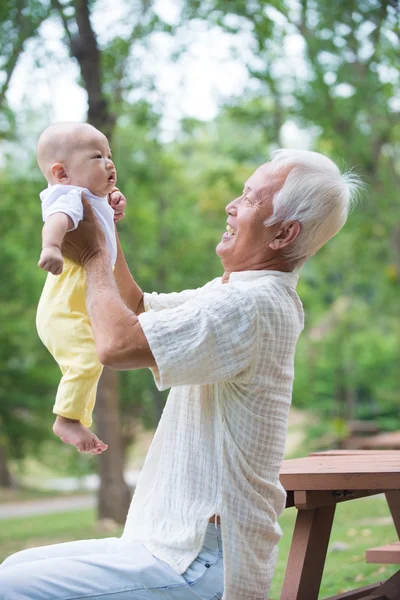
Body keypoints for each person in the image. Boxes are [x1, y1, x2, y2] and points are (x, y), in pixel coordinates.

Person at [0, 149, 362, 600]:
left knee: (9, 586)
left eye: (250, 200)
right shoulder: (236, 291)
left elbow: (116, 344)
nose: (231, 205)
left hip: (198, 563)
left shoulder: (251, 306)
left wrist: (93, 253)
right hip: (172, 544)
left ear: (284, 234)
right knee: (14, 567)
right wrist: (103, 222)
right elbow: (134, 309)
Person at [36, 122, 126, 454]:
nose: (109, 163)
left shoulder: (87, 194)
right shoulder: (67, 196)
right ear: (61, 173)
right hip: (63, 307)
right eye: (97, 156)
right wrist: (51, 248)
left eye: (109, 155)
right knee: (88, 359)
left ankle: (73, 417)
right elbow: (56, 219)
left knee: (92, 359)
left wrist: (113, 199)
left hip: (76, 304)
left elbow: (102, 210)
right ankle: (67, 420)